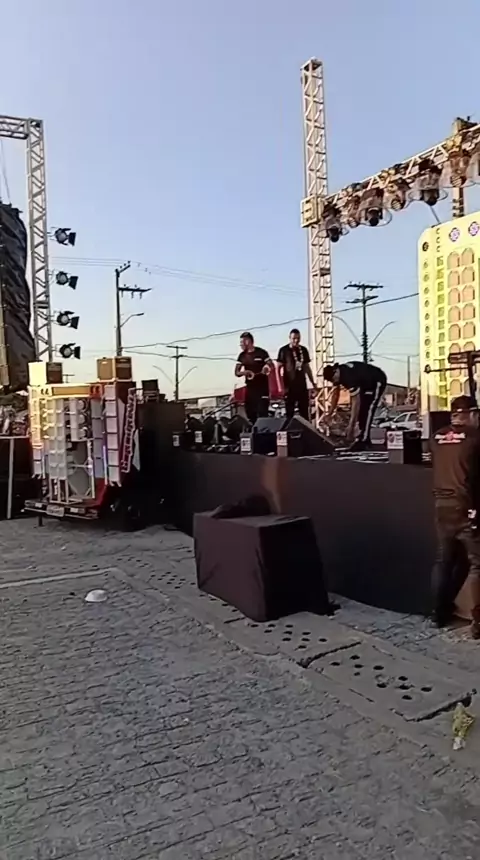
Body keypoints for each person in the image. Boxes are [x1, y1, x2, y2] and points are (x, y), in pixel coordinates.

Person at [430, 395, 480, 638]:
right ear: (471, 414)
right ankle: (478, 622)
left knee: (444, 560)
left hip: (442, 505)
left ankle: (438, 613)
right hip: (466, 506)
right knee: (478, 564)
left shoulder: (436, 436)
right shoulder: (475, 438)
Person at [323, 360, 387, 450]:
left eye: (333, 379)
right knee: (362, 410)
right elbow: (335, 395)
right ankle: (362, 437)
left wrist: (351, 426)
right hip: (364, 384)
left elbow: (355, 403)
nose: (334, 381)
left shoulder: (348, 377)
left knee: (368, 408)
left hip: (376, 379)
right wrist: (329, 414)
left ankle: (364, 440)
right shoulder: (339, 374)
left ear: (335, 371)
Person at [277, 329, 316, 421]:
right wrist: (280, 386)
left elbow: (307, 367)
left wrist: (312, 382)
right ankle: (289, 428)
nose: (296, 340)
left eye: (298, 338)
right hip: (289, 386)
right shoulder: (284, 350)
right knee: (289, 412)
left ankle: (305, 428)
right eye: (294, 338)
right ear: (289, 338)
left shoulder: (303, 350)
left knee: (304, 412)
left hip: (302, 385)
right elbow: (278, 369)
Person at [235, 332, 273, 425]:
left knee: (262, 412)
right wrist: (245, 372)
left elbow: (271, 365)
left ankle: (263, 430)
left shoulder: (262, 352)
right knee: (250, 413)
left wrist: (266, 367)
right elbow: (237, 372)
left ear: (248, 341)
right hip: (250, 389)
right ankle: (253, 430)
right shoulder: (242, 356)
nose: (241, 344)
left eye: (242, 342)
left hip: (262, 388)